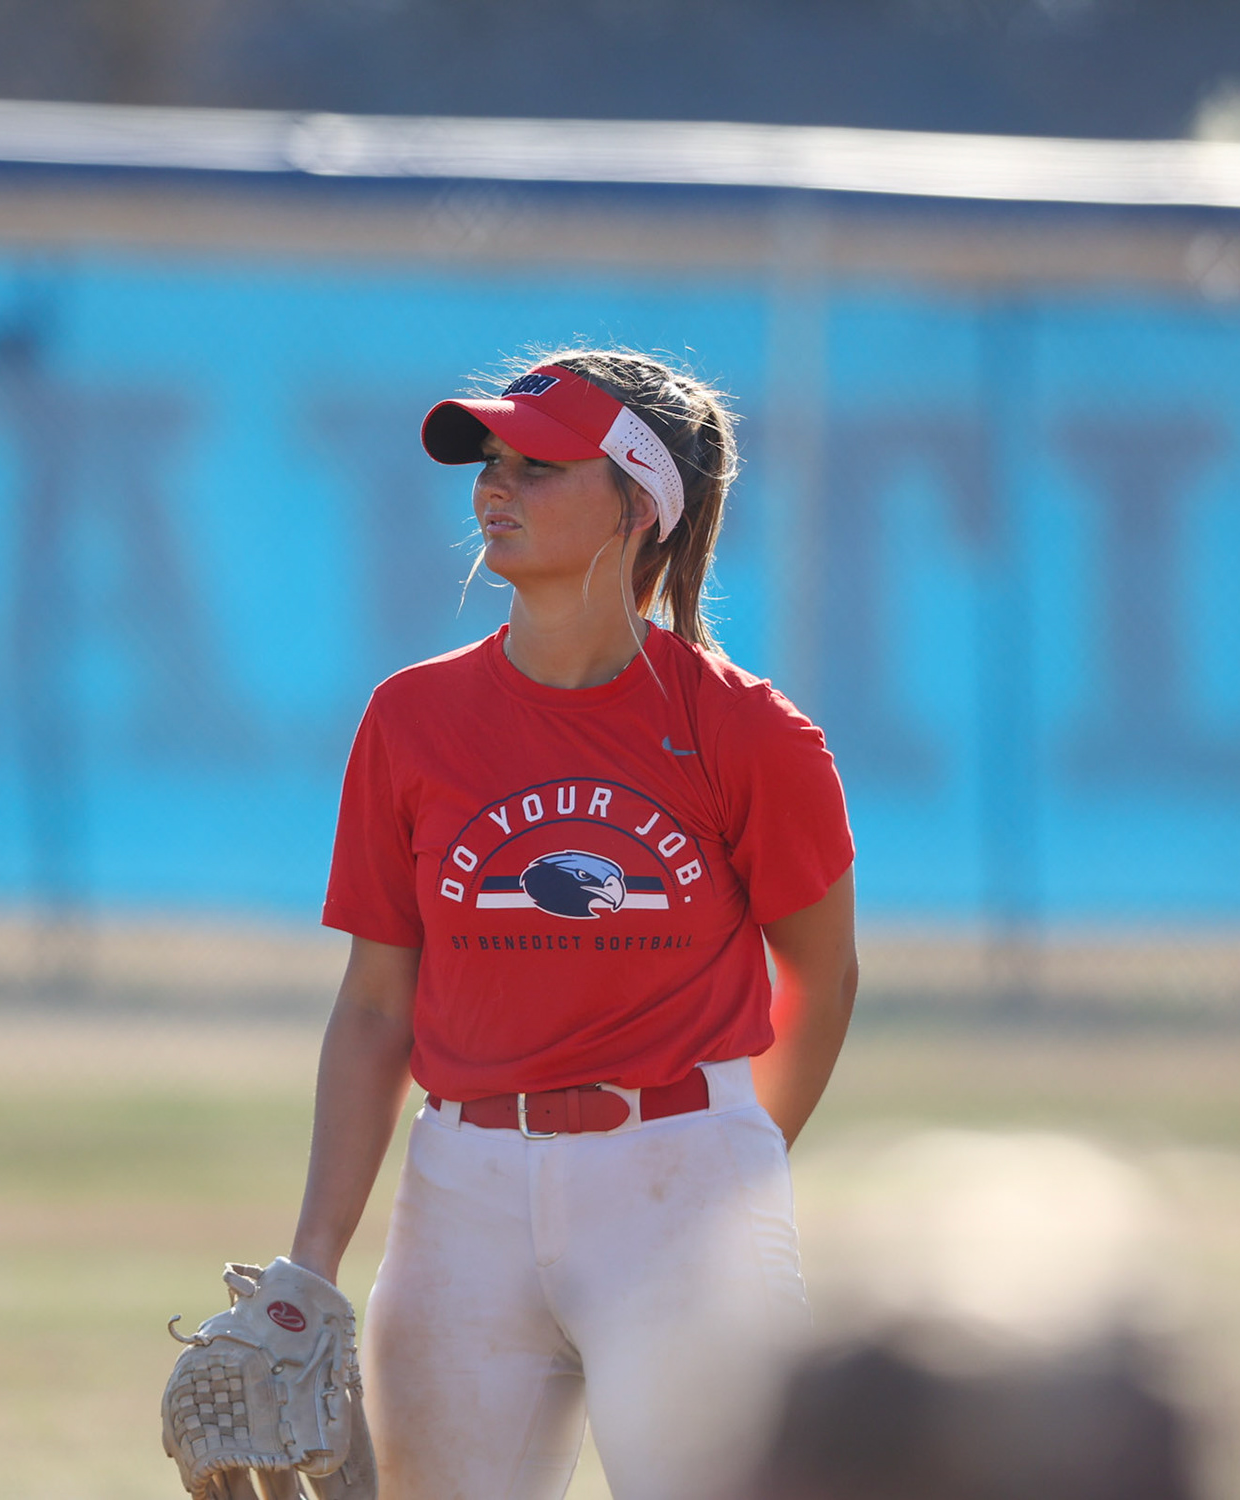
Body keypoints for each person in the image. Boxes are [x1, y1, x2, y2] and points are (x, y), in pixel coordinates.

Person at [286, 348, 859, 1500]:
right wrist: (311, 1265)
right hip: (462, 1188)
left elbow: (821, 978)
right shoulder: (412, 718)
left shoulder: (749, 733)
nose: (496, 486)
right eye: (489, 461)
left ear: (642, 505)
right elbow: (375, 1007)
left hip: (680, 1172)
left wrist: (730, 1163)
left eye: (540, 465)